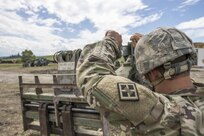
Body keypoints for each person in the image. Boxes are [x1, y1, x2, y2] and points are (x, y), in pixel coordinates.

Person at [76, 28, 204, 135]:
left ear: (153, 73)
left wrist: (110, 41)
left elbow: (92, 77)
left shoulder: (163, 112)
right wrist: (148, 49)